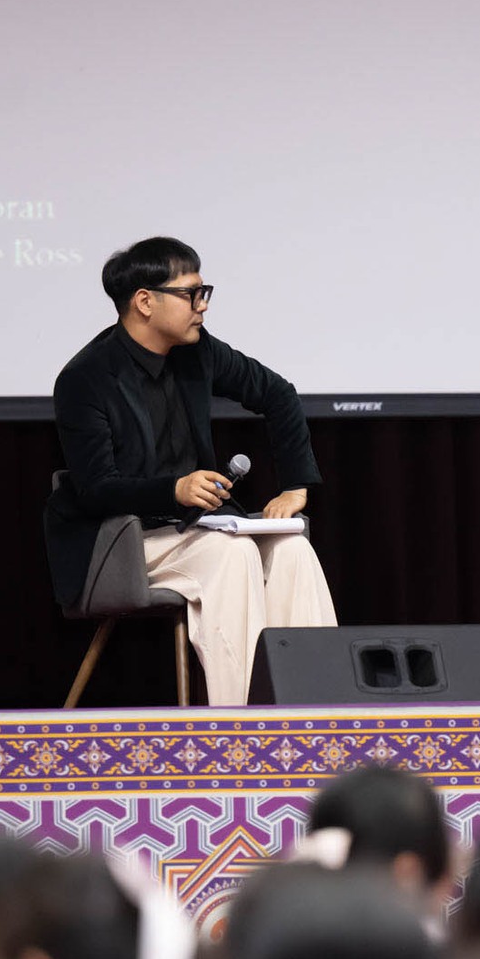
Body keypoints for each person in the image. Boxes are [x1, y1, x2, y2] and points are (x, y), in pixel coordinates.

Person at [48, 236, 335, 706]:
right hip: (124, 539)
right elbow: (96, 490)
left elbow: (278, 394)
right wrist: (174, 490)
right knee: (231, 555)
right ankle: (242, 728)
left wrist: (295, 486)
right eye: (191, 294)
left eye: (204, 292)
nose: (202, 305)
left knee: (292, 548)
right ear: (145, 302)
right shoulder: (86, 379)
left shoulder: (197, 352)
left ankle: (316, 717)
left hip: (200, 530)